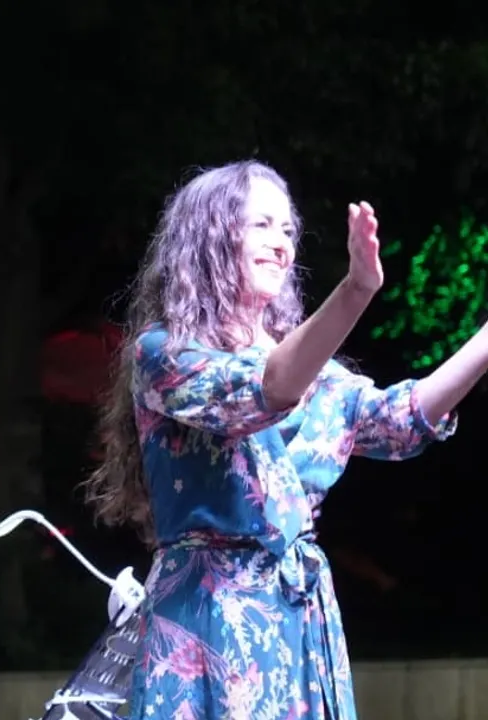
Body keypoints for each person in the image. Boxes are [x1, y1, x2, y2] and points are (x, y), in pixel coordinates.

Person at [81, 160, 488, 718]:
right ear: (211, 237)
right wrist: (355, 290)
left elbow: (402, 419)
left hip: (298, 622)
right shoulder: (165, 355)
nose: (281, 243)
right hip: (209, 621)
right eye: (262, 225)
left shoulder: (313, 372)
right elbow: (269, 388)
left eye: (288, 230)